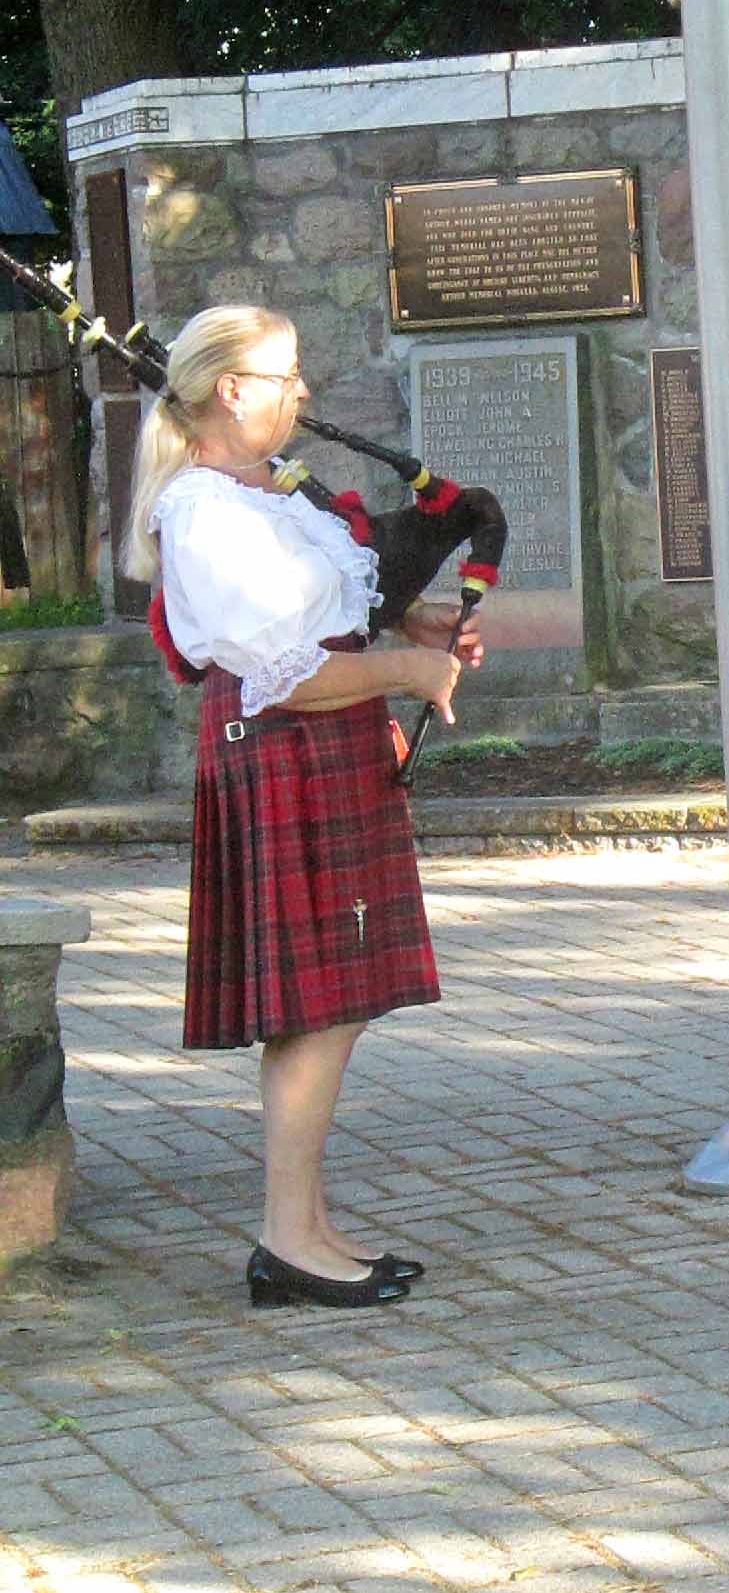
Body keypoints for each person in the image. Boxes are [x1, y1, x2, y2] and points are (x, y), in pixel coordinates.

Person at [123, 306, 480, 1308]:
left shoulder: (269, 492)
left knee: (332, 1006)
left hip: (327, 741)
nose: (305, 394)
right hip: (287, 742)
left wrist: (428, 629)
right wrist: (407, 667)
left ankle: (305, 1228)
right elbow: (276, 672)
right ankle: (289, 1240)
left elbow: (329, 614)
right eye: (288, 375)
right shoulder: (204, 508)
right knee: (321, 1008)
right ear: (232, 390)